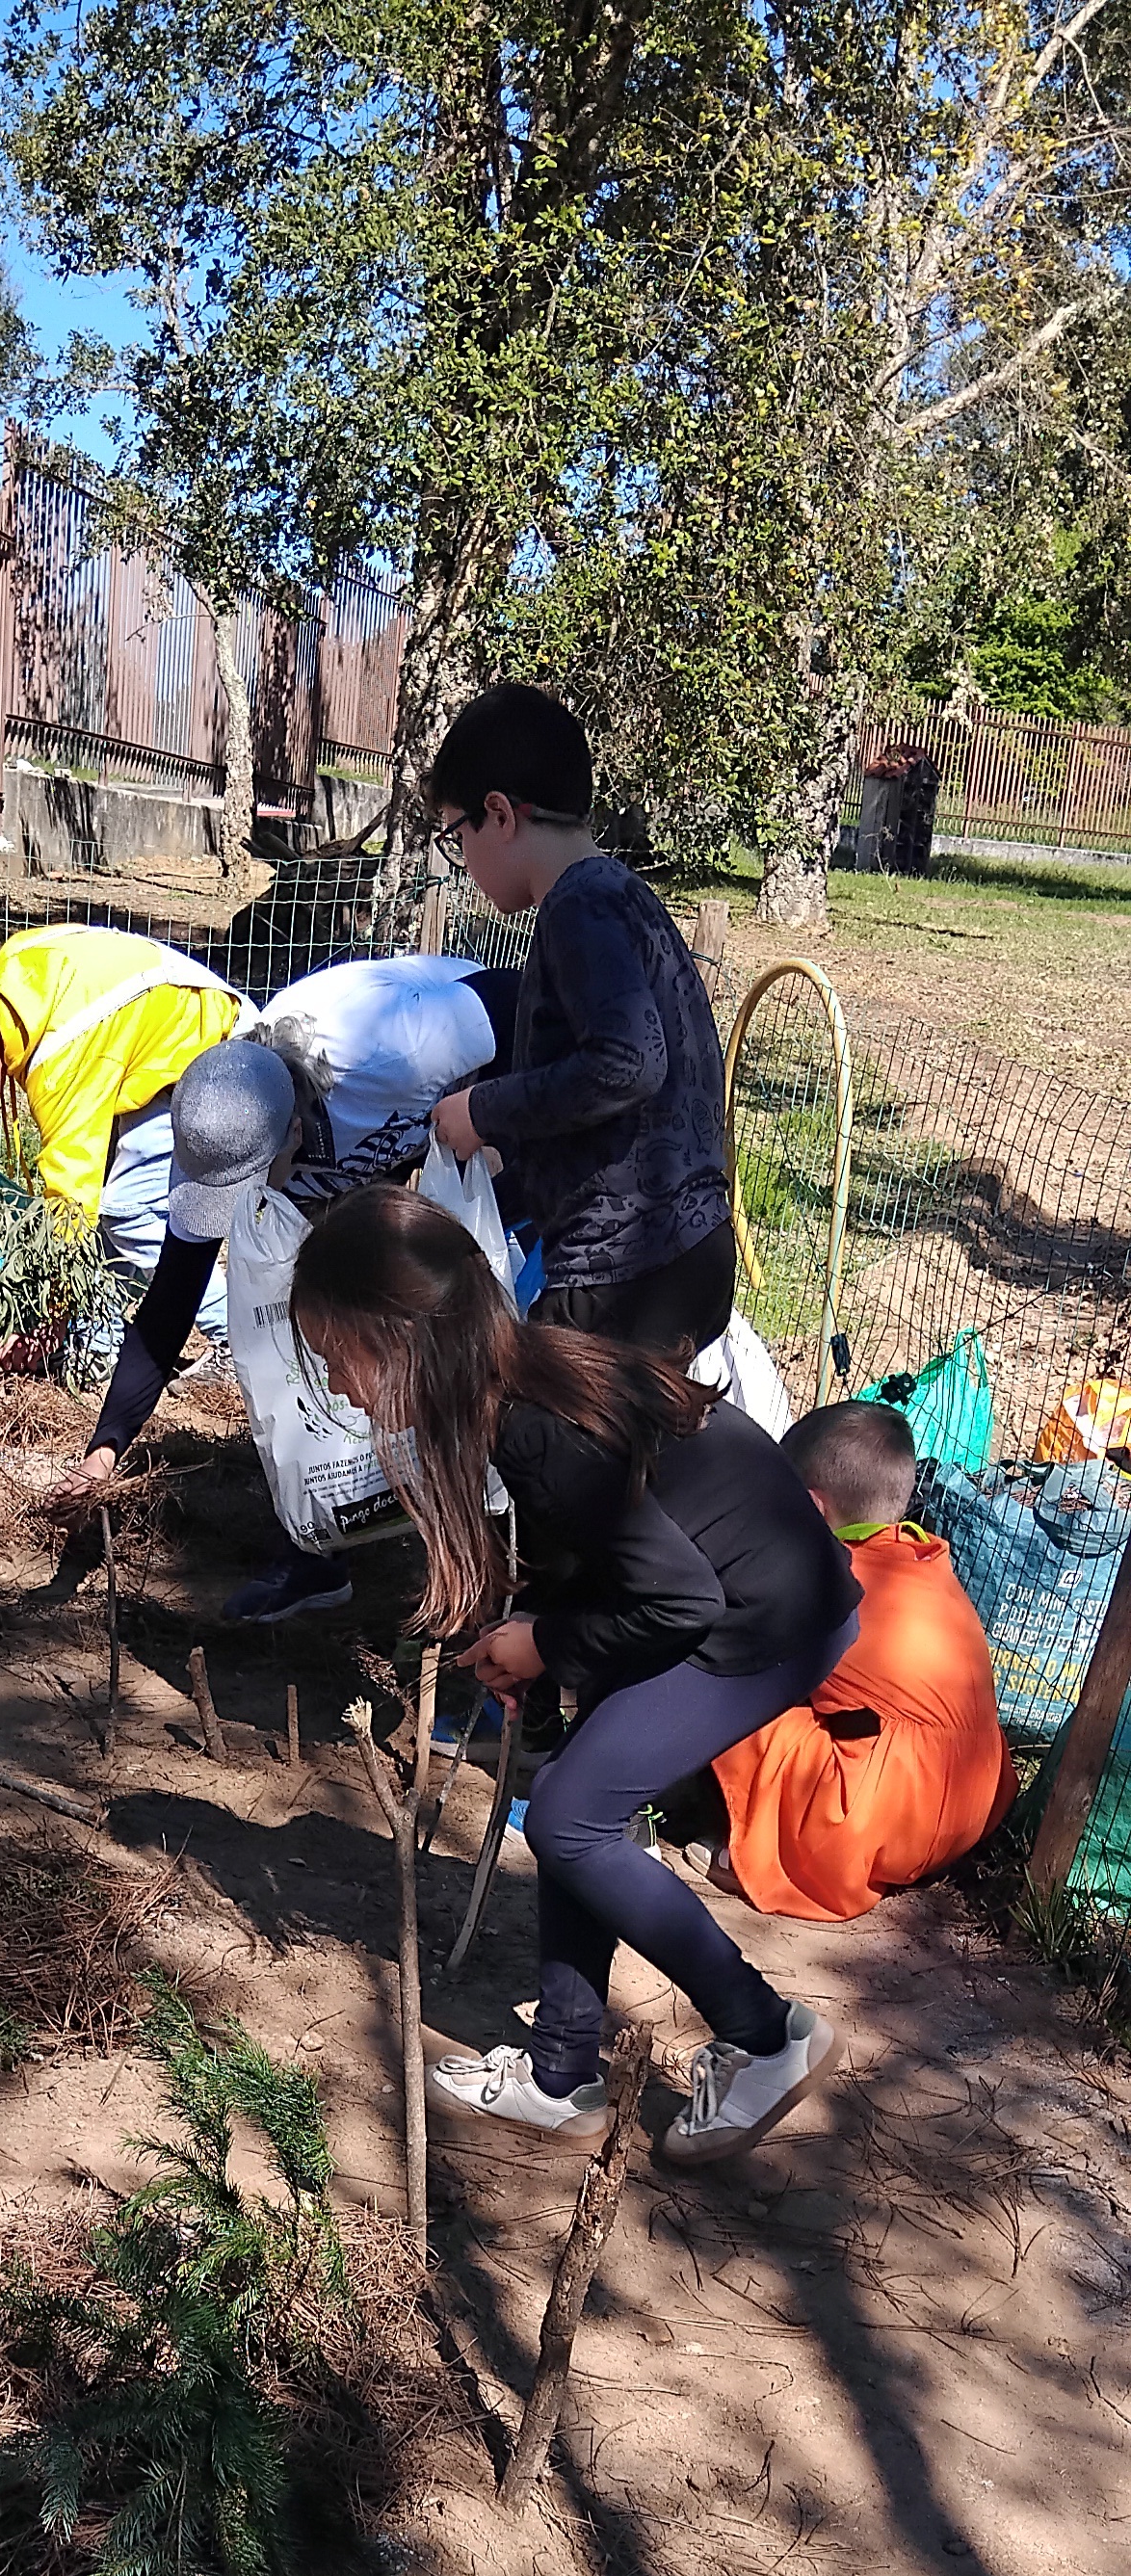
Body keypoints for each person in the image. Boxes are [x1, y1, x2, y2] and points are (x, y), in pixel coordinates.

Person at [289, 1186, 860, 2169]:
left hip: (766, 1617)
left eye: (341, 1360)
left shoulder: (534, 1429)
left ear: (402, 1341)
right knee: (570, 1800)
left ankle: (766, 2036)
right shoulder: (512, 1379)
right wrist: (539, 1632)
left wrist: (548, 1643)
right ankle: (561, 2074)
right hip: (727, 1591)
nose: (340, 1389)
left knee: (568, 1819)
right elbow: (613, 1554)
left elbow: (678, 1598)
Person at [46, 954, 512, 1621]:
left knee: (473, 1323)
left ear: (295, 1129)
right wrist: (103, 1451)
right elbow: (169, 1307)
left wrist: (498, 1120)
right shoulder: (218, 1127)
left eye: (256, 1179)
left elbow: (520, 1000)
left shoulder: (393, 1051)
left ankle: (491, 1554)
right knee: (304, 1329)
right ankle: (320, 1548)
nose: (244, 1203)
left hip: (493, 1101)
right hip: (373, 1159)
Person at [425, 683, 734, 1357]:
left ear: (499, 814)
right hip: (688, 1244)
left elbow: (627, 1063)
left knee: (541, 1444)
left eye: (455, 834)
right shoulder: (621, 893)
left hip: (629, 1265)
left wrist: (483, 1108)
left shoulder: (577, 907)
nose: (462, 863)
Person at [705, 1400, 1016, 1920]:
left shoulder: (825, 1581)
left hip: (883, 1823)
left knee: (722, 1683)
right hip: (975, 1805)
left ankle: (755, 1854)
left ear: (811, 1506)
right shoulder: (922, 1561)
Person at [0, 925, 250, 1340]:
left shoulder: (61, 1054)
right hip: (169, 1051)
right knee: (111, 1204)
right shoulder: (16, 977)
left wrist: (49, 1322)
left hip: (221, 1057)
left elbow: (71, 1205)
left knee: (126, 1210)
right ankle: (99, 1338)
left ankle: (235, 1338)